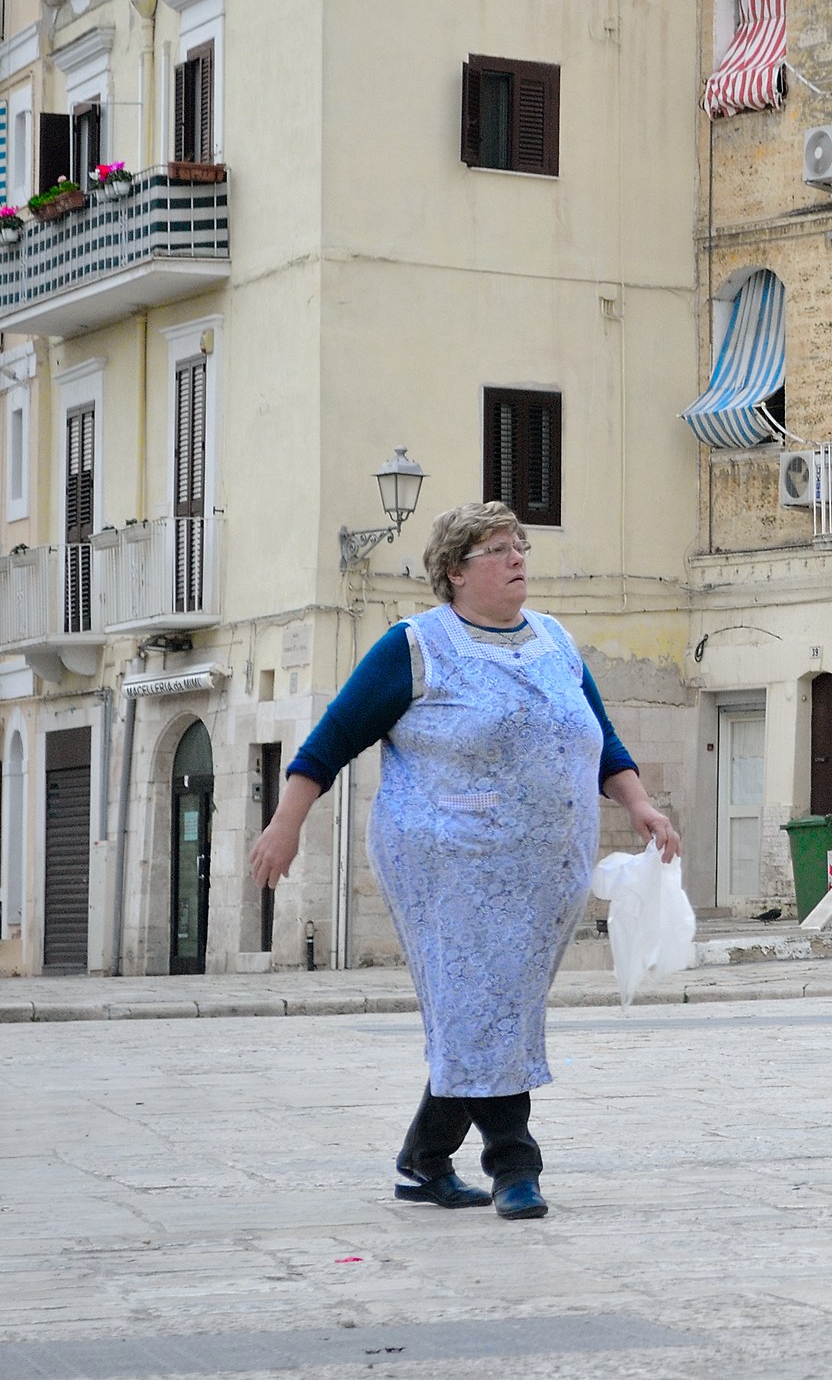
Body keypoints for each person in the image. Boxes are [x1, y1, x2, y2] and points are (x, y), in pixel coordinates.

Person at [248, 501, 680, 1220]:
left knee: (491, 1009)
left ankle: (424, 1157)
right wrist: (286, 823)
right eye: (500, 549)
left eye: (521, 548)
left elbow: (599, 737)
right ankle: (515, 1165)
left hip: (545, 871)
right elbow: (331, 739)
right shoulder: (416, 645)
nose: (518, 560)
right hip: (447, 862)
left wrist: (640, 805)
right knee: (485, 1002)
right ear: (455, 571)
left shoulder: (554, 640)